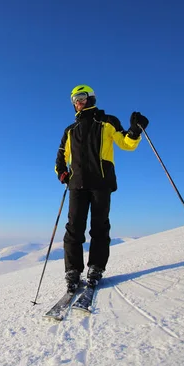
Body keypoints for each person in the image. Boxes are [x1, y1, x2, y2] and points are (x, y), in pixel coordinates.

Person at [55, 85, 149, 292]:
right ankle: (73, 270)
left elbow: (126, 143)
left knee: (99, 227)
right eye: (74, 100)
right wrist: (62, 172)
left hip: (101, 183)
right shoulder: (70, 130)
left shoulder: (107, 122)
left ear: (90, 98)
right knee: (74, 230)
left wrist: (135, 130)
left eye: (80, 97)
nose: (77, 102)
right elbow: (61, 156)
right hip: (77, 185)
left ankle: (96, 268)